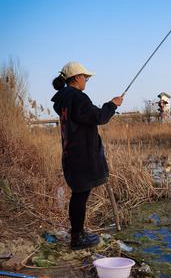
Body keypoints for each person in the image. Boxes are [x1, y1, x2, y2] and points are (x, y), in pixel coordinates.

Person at [51, 61, 123, 250]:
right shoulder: (77, 97)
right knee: (80, 195)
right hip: (81, 156)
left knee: (79, 195)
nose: (86, 81)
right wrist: (112, 105)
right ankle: (77, 239)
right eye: (85, 77)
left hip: (71, 154)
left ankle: (79, 233)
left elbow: (88, 118)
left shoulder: (64, 99)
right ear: (76, 78)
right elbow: (99, 117)